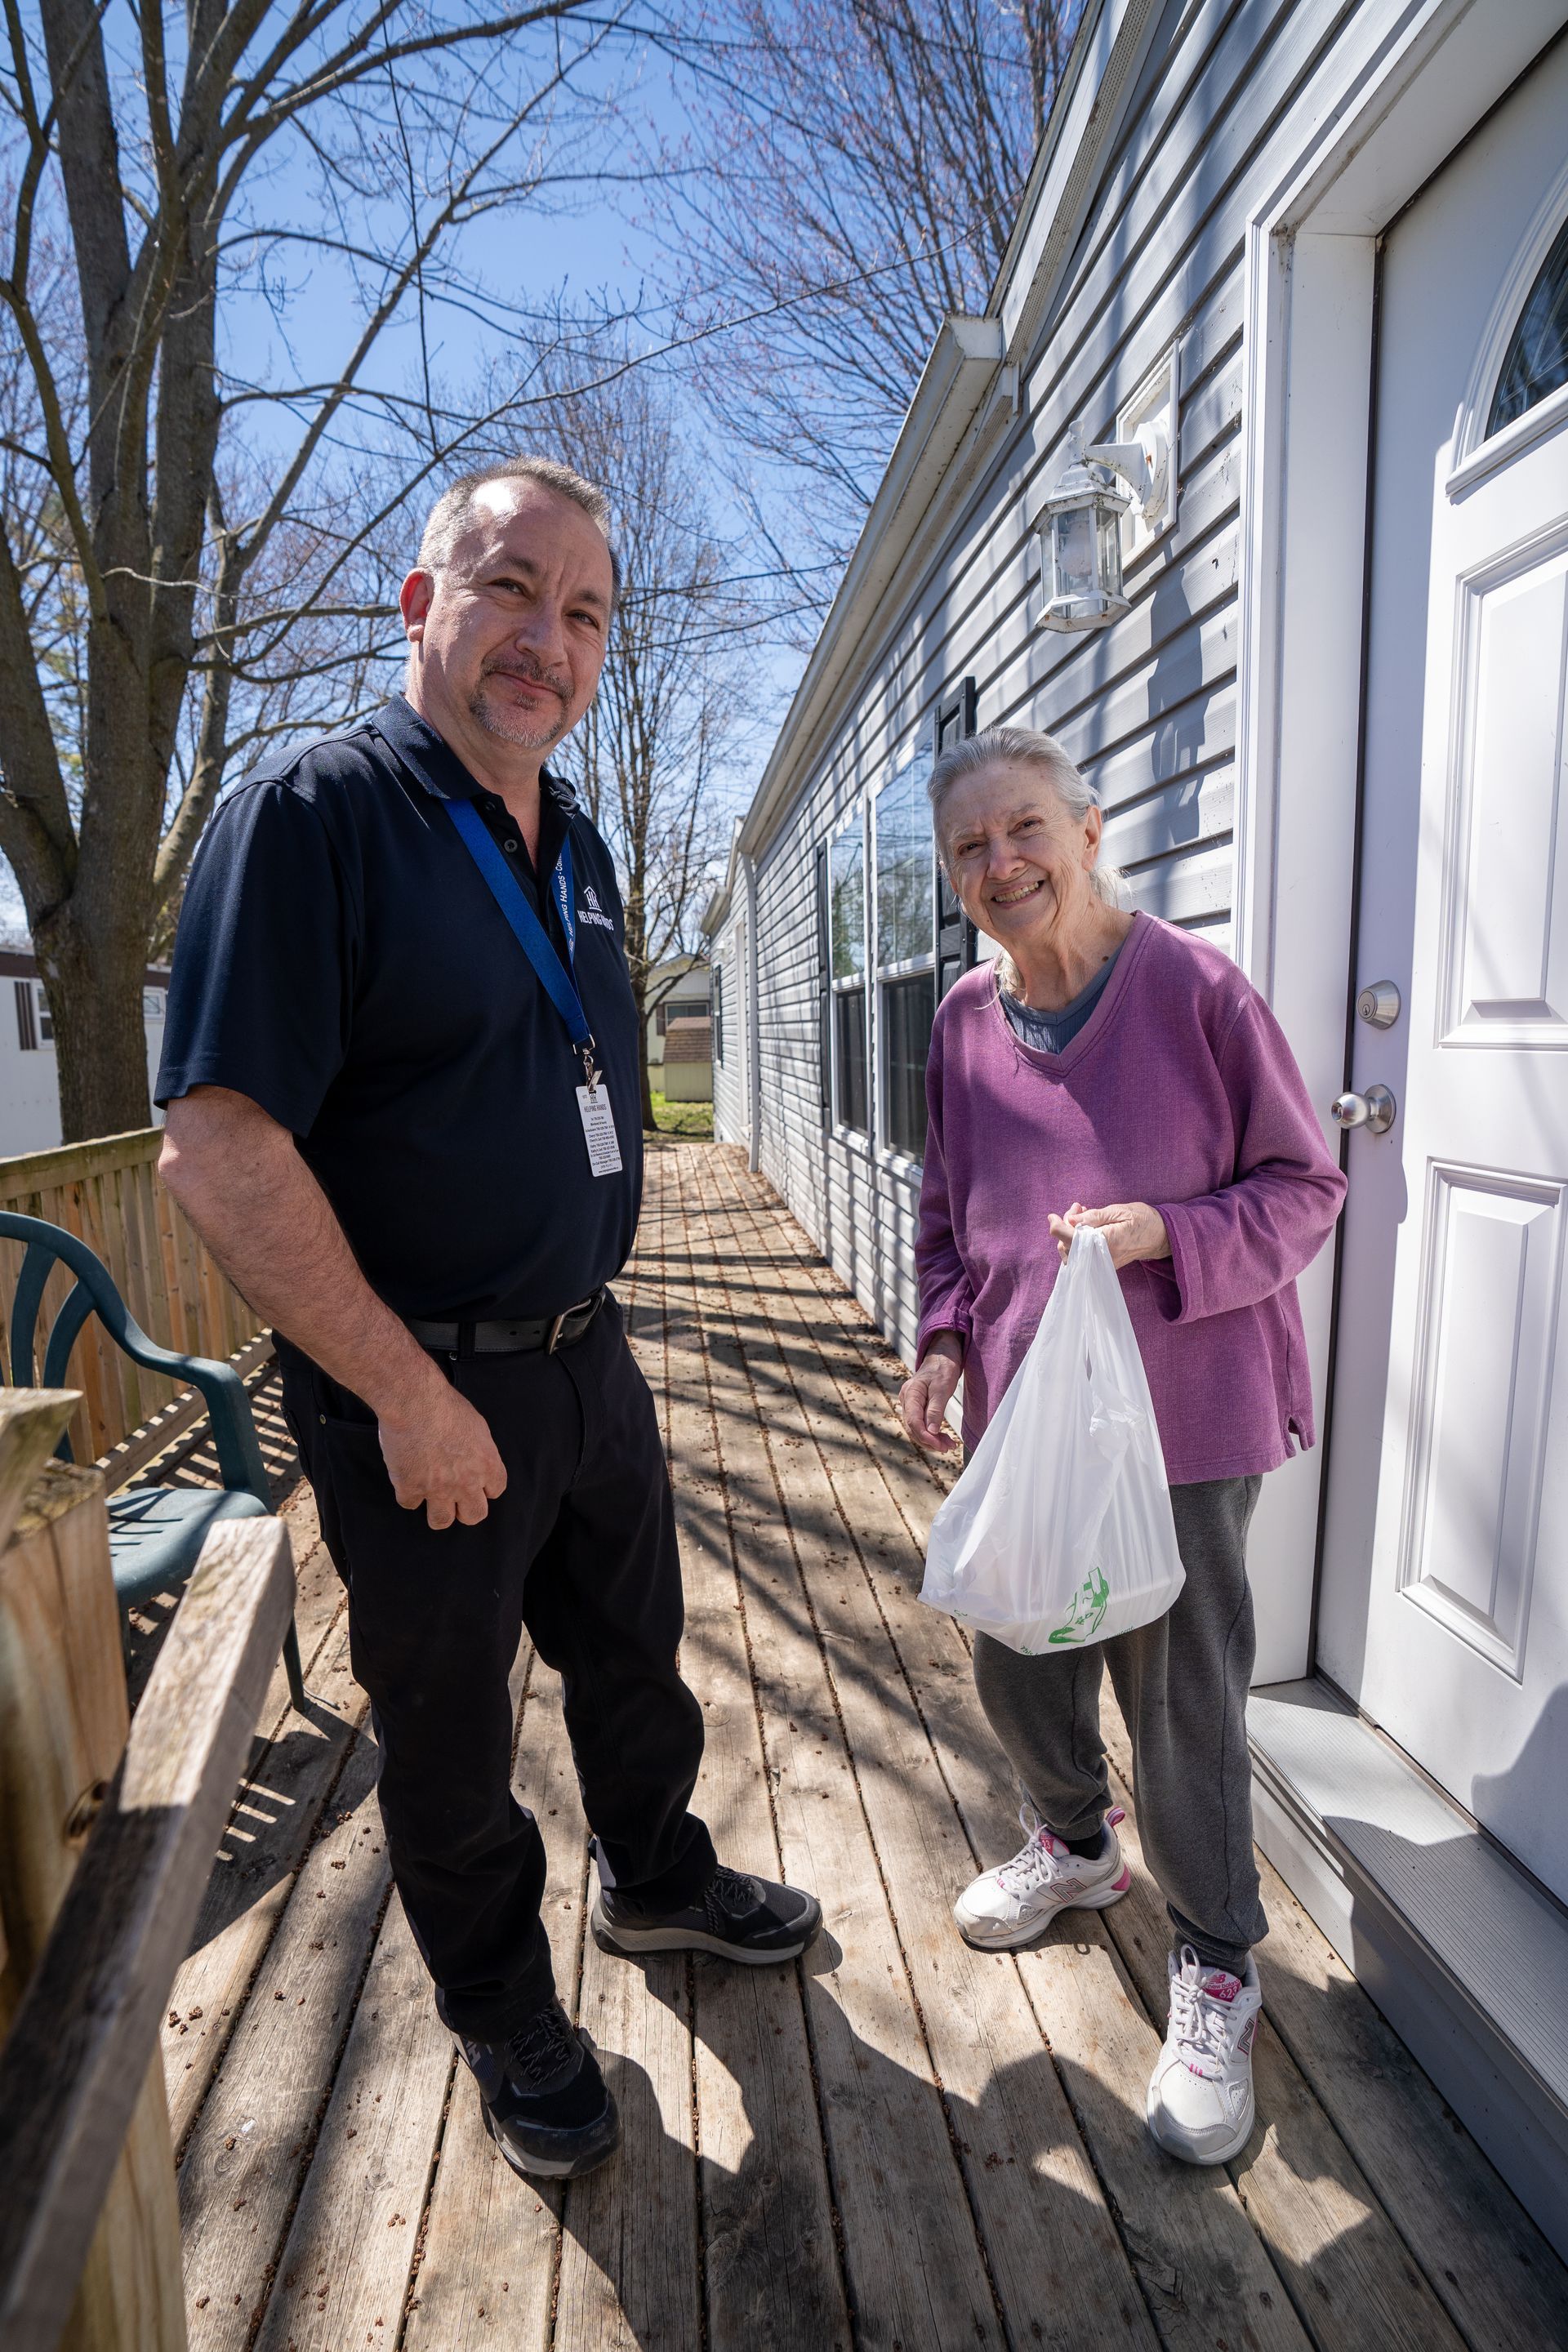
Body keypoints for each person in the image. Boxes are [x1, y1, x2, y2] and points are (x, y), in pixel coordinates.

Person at [157, 456, 821, 2185]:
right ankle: (501, 2005)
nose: (548, 637)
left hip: (586, 1358)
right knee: (450, 1732)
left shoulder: (572, 832)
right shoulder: (314, 816)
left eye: (585, 611)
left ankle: (657, 1875)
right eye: (511, 589)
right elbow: (219, 1150)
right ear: (419, 604)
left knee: (632, 1655)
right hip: (422, 1394)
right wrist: (401, 1392)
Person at [898, 725, 1344, 2167]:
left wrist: (1175, 1234)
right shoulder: (967, 1022)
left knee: (1182, 1691)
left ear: (1088, 831)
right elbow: (946, 1207)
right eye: (971, 848)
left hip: (1193, 1418)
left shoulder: (1199, 993)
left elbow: (1308, 1186)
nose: (1001, 863)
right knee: (1015, 1649)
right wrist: (947, 1337)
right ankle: (1078, 1846)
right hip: (1031, 1419)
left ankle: (1217, 1961)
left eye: (1024, 828)